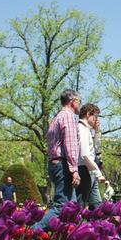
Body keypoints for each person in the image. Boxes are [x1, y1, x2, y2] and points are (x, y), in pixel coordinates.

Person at [38, 89, 81, 228]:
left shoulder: (57, 117)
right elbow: (70, 144)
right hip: (63, 165)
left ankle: (66, 239)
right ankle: (34, 232)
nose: (80, 104)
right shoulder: (68, 116)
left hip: (55, 164)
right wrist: (74, 169)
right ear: (73, 101)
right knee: (62, 206)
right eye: (79, 101)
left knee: (72, 207)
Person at [77, 103, 106, 208]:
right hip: (84, 170)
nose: (96, 119)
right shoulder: (82, 130)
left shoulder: (87, 130)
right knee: (80, 204)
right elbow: (85, 155)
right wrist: (98, 173)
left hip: (90, 171)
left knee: (97, 205)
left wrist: (96, 130)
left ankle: (97, 224)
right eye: (95, 116)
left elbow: (95, 148)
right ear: (88, 114)